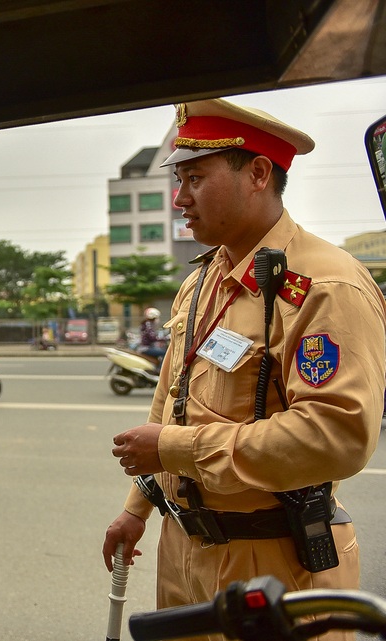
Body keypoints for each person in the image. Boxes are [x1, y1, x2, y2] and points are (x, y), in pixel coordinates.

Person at [102, 98, 386, 641]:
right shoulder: (205, 276)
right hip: (184, 547)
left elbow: (336, 435)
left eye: (195, 178)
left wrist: (173, 449)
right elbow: (173, 398)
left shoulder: (324, 283)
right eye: (178, 179)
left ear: (258, 173)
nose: (179, 199)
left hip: (275, 562)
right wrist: (137, 507)